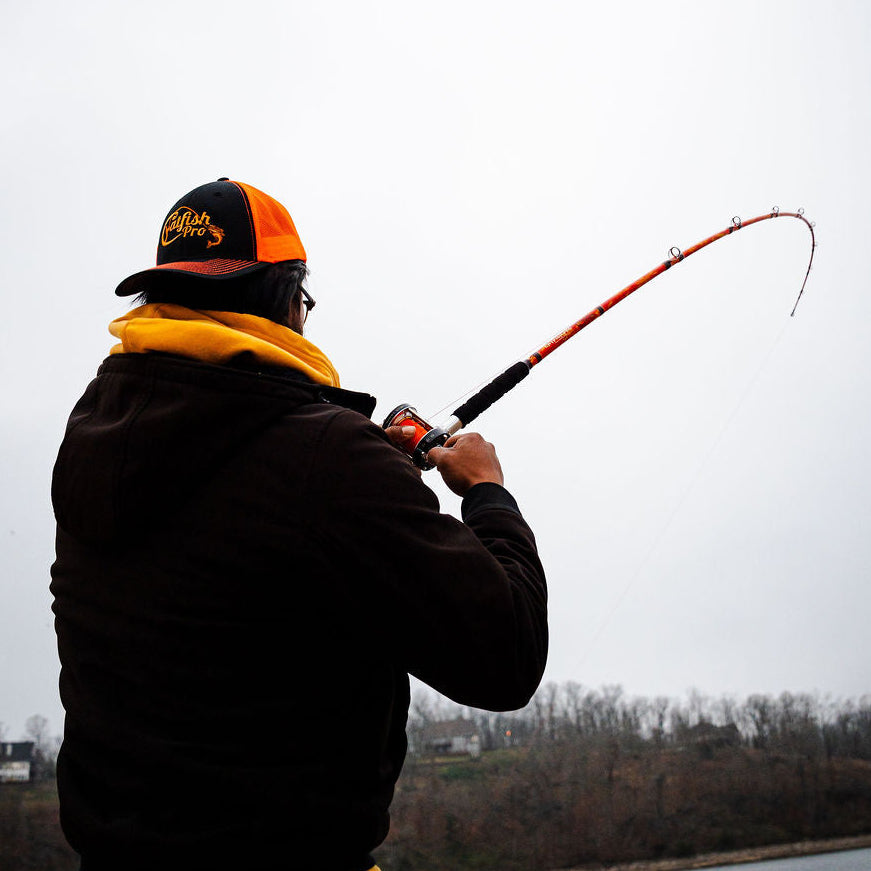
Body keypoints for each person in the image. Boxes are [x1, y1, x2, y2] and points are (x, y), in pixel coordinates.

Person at [50, 178, 548, 871]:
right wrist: (487, 492)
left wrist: (356, 482)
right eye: (303, 301)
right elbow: (508, 658)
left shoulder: (93, 441)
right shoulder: (330, 462)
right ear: (287, 299)